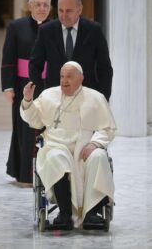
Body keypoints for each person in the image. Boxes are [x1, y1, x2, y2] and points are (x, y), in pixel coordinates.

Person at [20, 61, 116, 229]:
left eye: (69, 77)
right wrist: (28, 100)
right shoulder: (49, 95)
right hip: (56, 144)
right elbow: (33, 120)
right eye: (62, 76)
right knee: (56, 158)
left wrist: (95, 143)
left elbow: (108, 128)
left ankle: (91, 213)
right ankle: (64, 213)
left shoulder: (95, 97)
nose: (64, 81)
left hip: (85, 147)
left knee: (99, 157)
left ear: (81, 78)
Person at [1, 0, 52, 186]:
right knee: (23, 129)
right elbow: (8, 59)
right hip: (24, 85)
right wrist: (8, 87)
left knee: (47, 128)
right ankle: (24, 174)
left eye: (45, 4)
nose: (41, 8)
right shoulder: (16, 27)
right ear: (29, 6)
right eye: (37, 4)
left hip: (49, 86)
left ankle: (47, 173)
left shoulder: (56, 27)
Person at [29, 0, 113, 101]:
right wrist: (41, 96)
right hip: (54, 99)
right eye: (60, 10)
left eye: (68, 11)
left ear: (79, 9)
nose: (64, 16)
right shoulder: (46, 31)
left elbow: (105, 68)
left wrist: (102, 98)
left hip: (86, 99)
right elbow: (35, 65)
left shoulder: (93, 30)